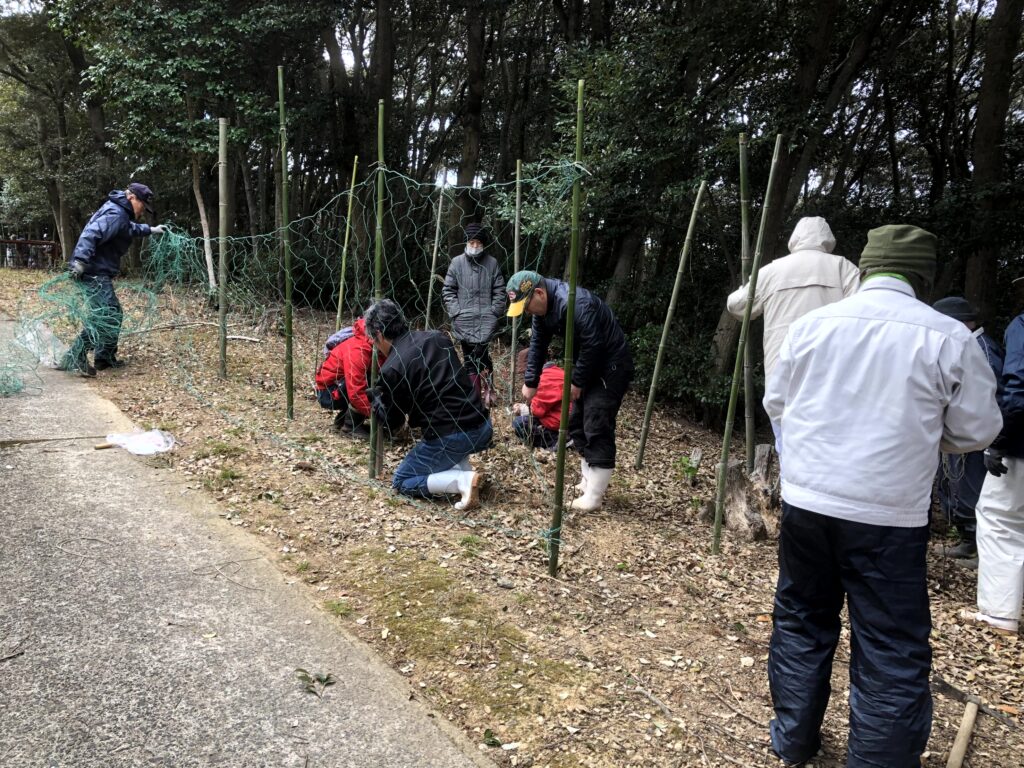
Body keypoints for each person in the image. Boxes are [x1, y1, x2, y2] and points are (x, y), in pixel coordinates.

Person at [762, 225, 1001, 767]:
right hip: (889, 512)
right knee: (890, 643)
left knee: (801, 616)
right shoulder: (948, 336)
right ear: (922, 275)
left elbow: (778, 402)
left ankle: (794, 741)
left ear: (865, 268)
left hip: (808, 500)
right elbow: (978, 428)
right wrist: (925, 433)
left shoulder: (811, 327)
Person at [507, 269, 633, 512]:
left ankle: (594, 497)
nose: (528, 312)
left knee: (596, 424)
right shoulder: (542, 312)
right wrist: (531, 381)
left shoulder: (575, 304)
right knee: (576, 423)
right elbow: (538, 345)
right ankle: (588, 483)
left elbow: (593, 344)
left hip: (610, 368)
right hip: (588, 366)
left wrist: (576, 382)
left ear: (540, 293)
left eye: (527, 306)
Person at [367, 299, 492, 511]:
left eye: (373, 340)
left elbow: (395, 422)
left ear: (378, 334)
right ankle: (466, 473)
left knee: (402, 480)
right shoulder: (437, 337)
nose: (374, 346)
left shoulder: (392, 368)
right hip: (482, 425)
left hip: (451, 436)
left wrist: (381, 407)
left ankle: (461, 481)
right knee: (448, 435)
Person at [727, 216, 859, 379]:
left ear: (795, 238)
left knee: (782, 402)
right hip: (831, 361)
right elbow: (862, 311)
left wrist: (743, 287)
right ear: (827, 238)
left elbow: (737, 306)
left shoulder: (771, 271)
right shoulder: (843, 267)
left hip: (781, 360)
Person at [966, 275, 1024, 636]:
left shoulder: (1022, 325)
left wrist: (999, 440)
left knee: (1001, 520)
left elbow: (1018, 388)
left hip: (1021, 449)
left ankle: (1000, 613)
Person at [59, 183, 166, 376]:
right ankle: (76, 355)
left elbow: (128, 229)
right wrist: (81, 261)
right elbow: (91, 234)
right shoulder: (116, 213)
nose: (143, 211)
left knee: (112, 313)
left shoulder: (121, 213)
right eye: (142, 205)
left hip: (98, 270)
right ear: (132, 198)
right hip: (92, 270)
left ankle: (104, 358)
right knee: (106, 314)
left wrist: (151, 230)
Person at [933, 297, 1004, 561]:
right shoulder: (966, 346)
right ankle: (966, 537)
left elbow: (995, 397)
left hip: (976, 436)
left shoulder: (982, 349)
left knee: (972, 487)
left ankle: (976, 544)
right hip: (961, 433)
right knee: (957, 484)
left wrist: (994, 440)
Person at [442, 223, 506, 407]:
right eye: (472, 241)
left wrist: (494, 312)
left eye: (478, 242)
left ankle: (489, 391)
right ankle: (474, 395)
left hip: (486, 319)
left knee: (484, 356)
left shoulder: (492, 263)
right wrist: (456, 312)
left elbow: (500, 290)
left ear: (483, 244)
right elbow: (448, 290)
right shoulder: (456, 263)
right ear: (467, 242)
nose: (475, 245)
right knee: (469, 357)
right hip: (463, 319)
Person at [314, 317, 379, 436]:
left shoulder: (369, 343)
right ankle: (350, 426)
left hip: (337, 385)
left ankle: (342, 421)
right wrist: (376, 416)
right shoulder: (358, 349)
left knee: (374, 379)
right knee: (371, 383)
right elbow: (355, 392)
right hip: (328, 392)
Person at [512, 361, 566, 451]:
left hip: (561, 423)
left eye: (525, 373)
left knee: (519, 423)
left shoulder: (545, 378)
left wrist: (521, 409)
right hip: (563, 416)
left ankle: (555, 440)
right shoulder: (556, 372)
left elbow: (537, 410)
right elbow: (545, 403)